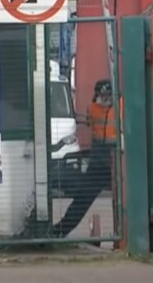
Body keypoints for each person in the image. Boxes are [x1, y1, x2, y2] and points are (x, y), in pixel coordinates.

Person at [52, 79, 122, 238]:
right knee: (83, 199)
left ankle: (61, 230)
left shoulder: (97, 108)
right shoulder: (113, 107)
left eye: (106, 95)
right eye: (102, 95)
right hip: (104, 163)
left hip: (107, 162)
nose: (104, 99)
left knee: (83, 199)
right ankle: (60, 230)